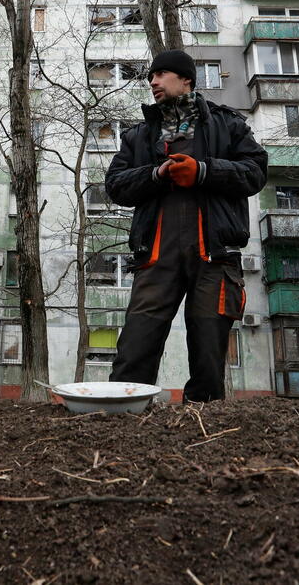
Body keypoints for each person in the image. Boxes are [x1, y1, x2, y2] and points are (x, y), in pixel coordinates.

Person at [105, 49, 267, 402]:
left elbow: (255, 173)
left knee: (208, 352)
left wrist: (203, 171)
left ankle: (203, 426)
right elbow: (115, 185)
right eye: (151, 76)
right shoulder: (139, 135)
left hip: (213, 254)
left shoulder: (228, 125)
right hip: (156, 256)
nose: (153, 82)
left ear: (186, 80)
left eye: (161, 74)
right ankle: (119, 413)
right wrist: (156, 173)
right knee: (135, 346)